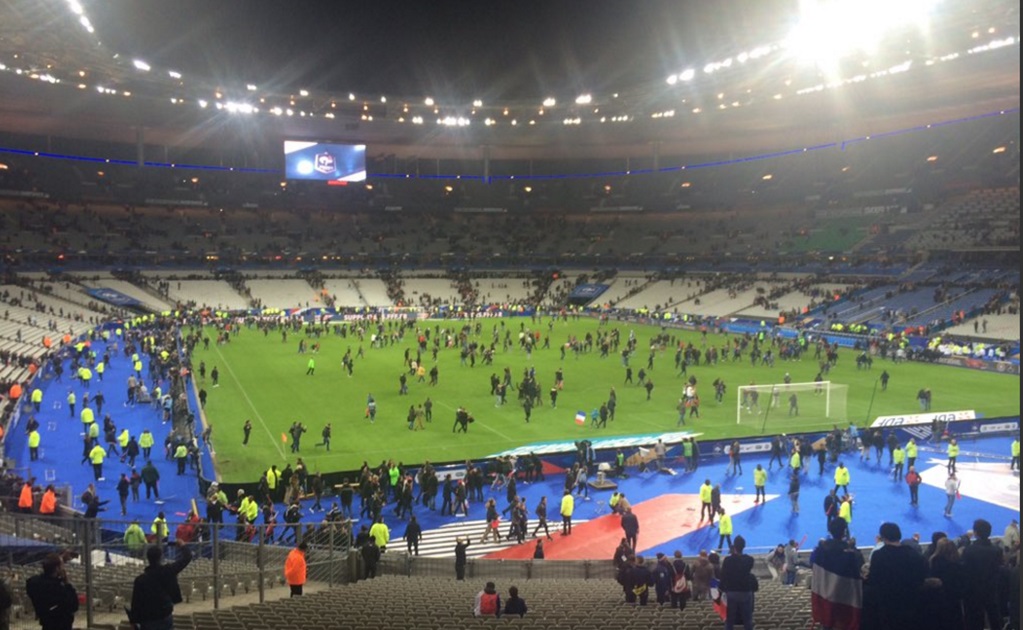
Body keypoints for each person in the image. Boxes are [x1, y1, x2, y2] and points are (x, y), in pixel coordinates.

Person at [862, 522, 930, 630]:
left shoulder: (879, 556)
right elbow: (921, 578)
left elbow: (874, 580)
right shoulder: (913, 554)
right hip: (911, 604)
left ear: (883, 537)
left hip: (887, 606)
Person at [810, 517, 864, 630]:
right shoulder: (852, 555)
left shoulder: (820, 552)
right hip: (845, 602)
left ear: (830, 531)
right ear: (844, 531)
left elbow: (812, 563)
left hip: (826, 601)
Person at [129, 540, 192, 630]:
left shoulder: (140, 580)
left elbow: (135, 603)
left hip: (147, 619)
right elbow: (187, 558)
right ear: (160, 557)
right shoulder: (168, 571)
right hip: (164, 616)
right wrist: (183, 546)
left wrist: (133, 621)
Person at [960, 519, 1004, 630]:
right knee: (994, 619)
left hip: (973, 592)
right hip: (991, 590)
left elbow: (965, 571)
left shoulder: (969, 550)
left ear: (975, 533)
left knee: (974, 622)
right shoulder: (997, 551)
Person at [25, 553, 79, 630]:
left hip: (46, 623)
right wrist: (67, 583)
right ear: (57, 568)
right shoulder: (57, 588)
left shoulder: (34, 583)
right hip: (60, 624)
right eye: (62, 565)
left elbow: (33, 581)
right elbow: (74, 605)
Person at [719, 535, 756, 630]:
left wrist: (721, 589)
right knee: (747, 620)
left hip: (731, 592)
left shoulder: (728, 560)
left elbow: (723, 576)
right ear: (744, 546)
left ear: (734, 547)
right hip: (746, 592)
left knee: (729, 620)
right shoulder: (749, 560)